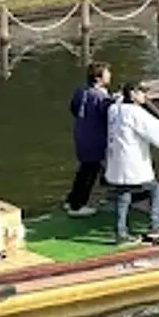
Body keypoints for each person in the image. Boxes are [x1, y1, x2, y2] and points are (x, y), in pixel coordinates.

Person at [101, 81, 159, 243]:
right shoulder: (135, 113)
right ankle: (155, 226)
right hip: (132, 165)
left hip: (117, 164)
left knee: (123, 195)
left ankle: (121, 233)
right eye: (142, 92)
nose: (145, 96)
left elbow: (118, 100)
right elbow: (155, 130)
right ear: (132, 94)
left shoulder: (113, 110)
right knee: (156, 189)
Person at [66, 60, 113, 212]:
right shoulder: (100, 97)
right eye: (107, 73)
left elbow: (73, 108)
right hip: (95, 138)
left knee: (84, 169)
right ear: (99, 78)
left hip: (81, 134)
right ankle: (78, 205)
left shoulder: (81, 91)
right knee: (90, 171)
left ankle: (72, 200)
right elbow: (108, 116)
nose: (110, 76)